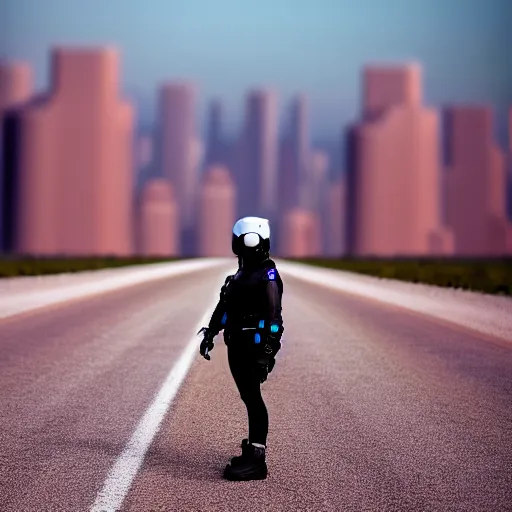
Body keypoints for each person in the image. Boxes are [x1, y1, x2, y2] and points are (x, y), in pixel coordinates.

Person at [197, 216, 284, 481]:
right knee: (249, 397)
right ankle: (253, 450)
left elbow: (274, 320)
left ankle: (257, 458)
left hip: (251, 347)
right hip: (237, 344)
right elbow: (225, 308)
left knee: (253, 399)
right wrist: (211, 332)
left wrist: (266, 353)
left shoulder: (266, 275)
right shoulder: (239, 275)